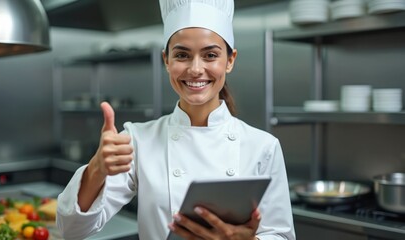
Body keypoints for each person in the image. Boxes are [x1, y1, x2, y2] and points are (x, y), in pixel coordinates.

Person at [56, 0, 296, 239]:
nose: (195, 69)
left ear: (230, 60)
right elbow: (72, 230)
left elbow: (281, 235)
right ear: (166, 60)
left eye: (210, 55)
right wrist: (97, 168)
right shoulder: (137, 140)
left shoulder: (263, 146)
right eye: (182, 55)